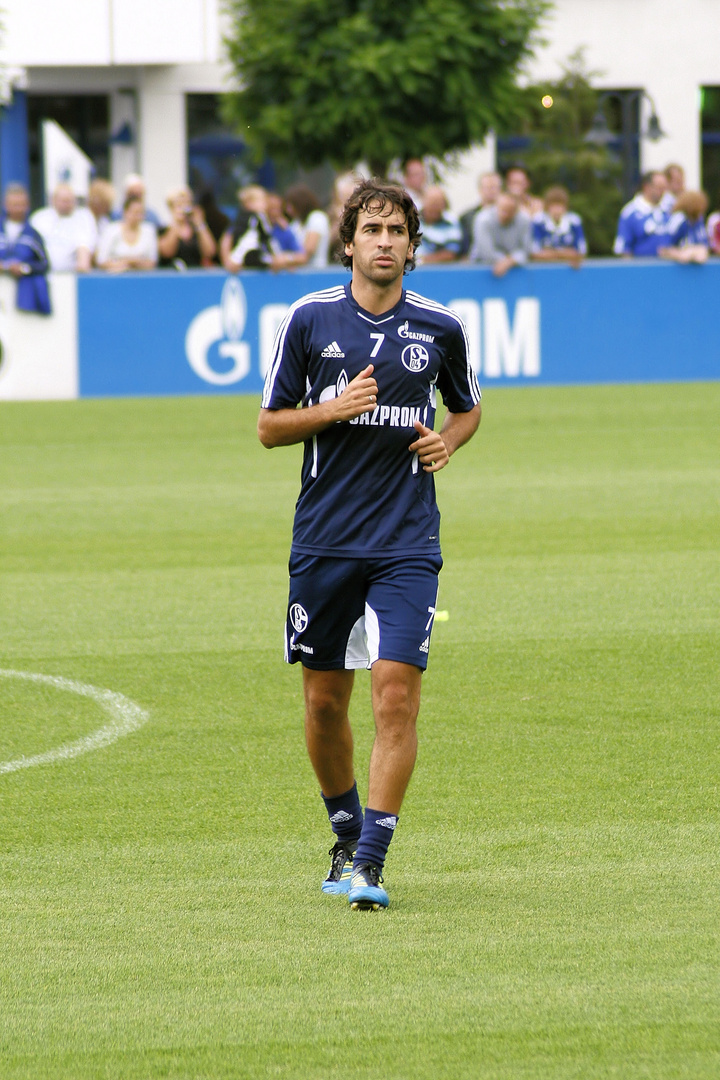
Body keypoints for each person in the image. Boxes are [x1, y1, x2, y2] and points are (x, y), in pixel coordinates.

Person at [258, 178, 481, 911]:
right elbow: (269, 425)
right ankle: (346, 832)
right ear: (348, 240)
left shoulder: (441, 327)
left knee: (396, 698)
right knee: (325, 703)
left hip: (406, 541)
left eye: (398, 231)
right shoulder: (309, 318)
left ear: (413, 246)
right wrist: (333, 408)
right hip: (324, 539)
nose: (385, 241)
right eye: (373, 229)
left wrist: (446, 442)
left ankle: (371, 866)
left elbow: (468, 408)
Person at [0, 183, 51, 314]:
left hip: (22, 299)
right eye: (14, 204)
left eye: (21, 204)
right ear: (6, 205)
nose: (18, 209)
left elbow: (44, 264)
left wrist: (24, 268)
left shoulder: (32, 234)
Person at [30, 183, 96, 272]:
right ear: (53, 200)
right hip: (42, 273)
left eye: (70, 201)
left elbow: (84, 246)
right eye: (64, 201)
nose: (67, 204)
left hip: (71, 275)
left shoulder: (83, 217)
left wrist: (82, 266)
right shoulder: (39, 218)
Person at [469, 191, 532, 277]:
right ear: (496, 206)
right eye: (503, 210)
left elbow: (526, 249)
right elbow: (486, 252)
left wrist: (509, 262)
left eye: (510, 211)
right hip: (481, 266)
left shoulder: (524, 219)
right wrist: (507, 261)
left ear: (516, 211)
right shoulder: (483, 220)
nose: (505, 215)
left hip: (515, 267)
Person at [613, 171, 670, 257]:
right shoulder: (630, 213)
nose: (662, 192)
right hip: (642, 269)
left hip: (668, 269)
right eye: (659, 187)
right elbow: (624, 250)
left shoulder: (668, 211)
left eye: (664, 188)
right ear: (646, 187)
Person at [95, 194, 158, 272]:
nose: (138, 216)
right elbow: (101, 261)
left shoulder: (149, 230)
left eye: (141, 213)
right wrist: (125, 263)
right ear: (125, 212)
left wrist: (135, 263)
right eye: (135, 212)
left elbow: (152, 261)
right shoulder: (111, 230)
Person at [158, 186, 216, 269]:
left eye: (186, 204)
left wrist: (200, 224)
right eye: (179, 205)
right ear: (171, 207)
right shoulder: (163, 230)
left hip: (194, 274)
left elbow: (210, 252)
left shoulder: (197, 231)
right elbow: (167, 253)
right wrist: (176, 223)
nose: (183, 208)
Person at [530, 185, 587, 267]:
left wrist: (551, 253)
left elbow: (581, 252)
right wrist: (565, 254)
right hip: (545, 268)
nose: (557, 210)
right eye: (553, 206)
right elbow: (534, 253)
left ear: (566, 207)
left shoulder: (574, 221)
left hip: (568, 269)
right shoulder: (538, 221)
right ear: (547, 207)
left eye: (560, 206)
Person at [277, 184, 331, 270]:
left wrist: (286, 258)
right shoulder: (296, 223)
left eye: (290, 206)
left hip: (316, 272)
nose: (288, 210)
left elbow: (308, 251)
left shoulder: (317, 217)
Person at [659, 190, 710, 263]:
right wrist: (680, 254)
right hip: (675, 267)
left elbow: (704, 246)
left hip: (694, 267)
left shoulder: (699, 221)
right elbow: (663, 248)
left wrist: (695, 252)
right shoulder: (678, 219)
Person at [459, 171, 502, 257]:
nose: (491, 191)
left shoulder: (509, 216)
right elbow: (462, 248)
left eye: (494, 187)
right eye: (488, 187)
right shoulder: (466, 217)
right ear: (479, 189)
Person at [418, 186, 462, 264]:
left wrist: (422, 261)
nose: (434, 207)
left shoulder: (451, 222)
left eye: (438, 204)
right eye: (431, 203)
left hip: (438, 269)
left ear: (444, 205)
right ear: (423, 201)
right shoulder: (411, 219)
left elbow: (450, 253)